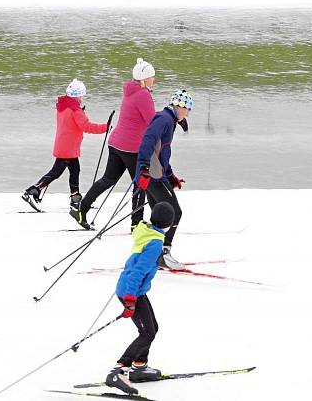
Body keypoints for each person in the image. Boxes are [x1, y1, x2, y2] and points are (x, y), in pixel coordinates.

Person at [76, 58, 156, 231]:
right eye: (151, 76)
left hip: (116, 143)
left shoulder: (131, 92)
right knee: (140, 183)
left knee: (108, 179)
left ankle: (82, 208)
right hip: (132, 148)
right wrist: (172, 119)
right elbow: (152, 121)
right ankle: (136, 223)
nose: (154, 79)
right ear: (143, 79)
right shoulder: (143, 94)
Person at [105, 202, 176, 395]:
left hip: (134, 290)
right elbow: (138, 271)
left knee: (152, 328)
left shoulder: (146, 231)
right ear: (169, 224)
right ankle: (119, 371)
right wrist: (129, 299)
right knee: (147, 333)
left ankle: (139, 366)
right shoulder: (155, 243)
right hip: (132, 291)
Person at [22, 79, 108, 219]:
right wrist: (105, 127)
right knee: (56, 172)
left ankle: (75, 198)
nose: (82, 98)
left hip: (66, 145)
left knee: (75, 170)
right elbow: (87, 127)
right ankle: (33, 191)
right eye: (81, 96)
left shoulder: (64, 107)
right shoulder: (75, 110)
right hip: (68, 147)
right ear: (76, 96)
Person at [135, 90, 192, 270]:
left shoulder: (169, 120)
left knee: (157, 215)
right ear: (178, 106)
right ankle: (163, 254)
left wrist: (171, 175)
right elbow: (147, 140)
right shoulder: (164, 119)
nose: (188, 113)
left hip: (157, 174)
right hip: (152, 175)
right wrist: (143, 168)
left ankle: (153, 252)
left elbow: (162, 152)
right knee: (174, 212)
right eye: (187, 109)